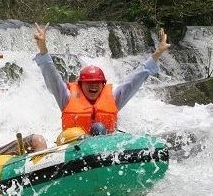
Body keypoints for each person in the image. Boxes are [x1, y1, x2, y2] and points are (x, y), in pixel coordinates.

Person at [33, 23, 171, 137]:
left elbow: (134, 80)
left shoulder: (114, 99)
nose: (93, 86)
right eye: (89, 83)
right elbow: (52, 77)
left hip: (103, 148)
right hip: (73, 147)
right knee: (85, 131)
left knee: (99, 128)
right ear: (80, 85)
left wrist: (157, 54)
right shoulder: (66, 98)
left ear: (103, 84)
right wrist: (43, 50)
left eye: (97, 83)